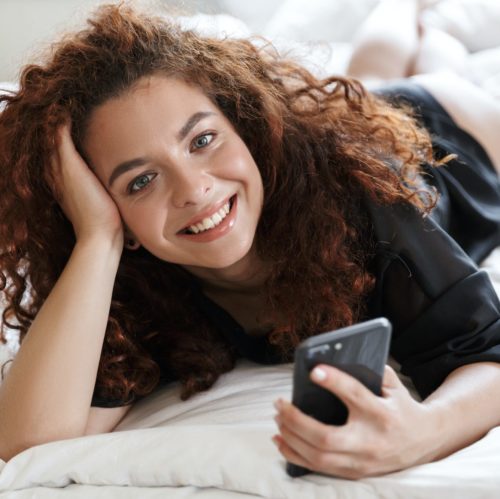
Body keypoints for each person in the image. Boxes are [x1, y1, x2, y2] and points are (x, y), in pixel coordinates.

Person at [1, 3, 500, 479]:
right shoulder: (132, 281)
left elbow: (489, 352)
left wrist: (423, 434)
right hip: (373, 122)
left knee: (406, 75)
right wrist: (97, 238)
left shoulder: (361, 200)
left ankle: (421, 13)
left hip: (456, 139)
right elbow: (25, 443)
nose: (194, 189)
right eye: (140, 181)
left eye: (201, 140)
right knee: (373, 73)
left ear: (247, 130)